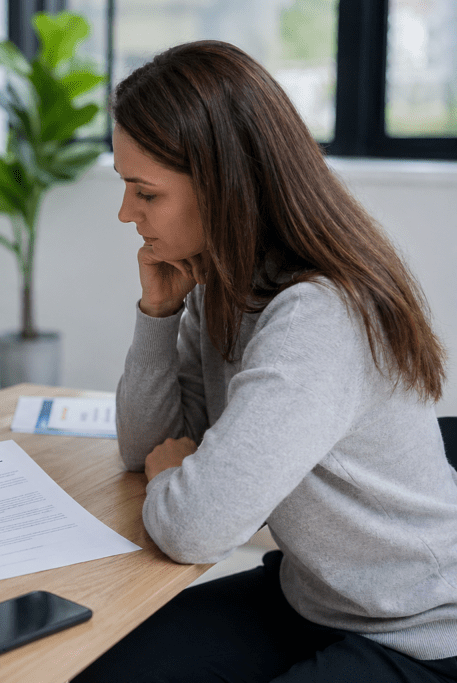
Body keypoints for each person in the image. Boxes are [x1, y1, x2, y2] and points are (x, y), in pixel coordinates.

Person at [74, 41, 457, 682]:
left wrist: (179, 473)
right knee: (98, 670)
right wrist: (158, 315)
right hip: (308, 597)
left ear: (226, 186)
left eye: (145, 192)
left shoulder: (322, 314)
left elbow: (194, 529)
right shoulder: (226, 282)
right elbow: (148, 447)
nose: (125, 214)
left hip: (416, 633)